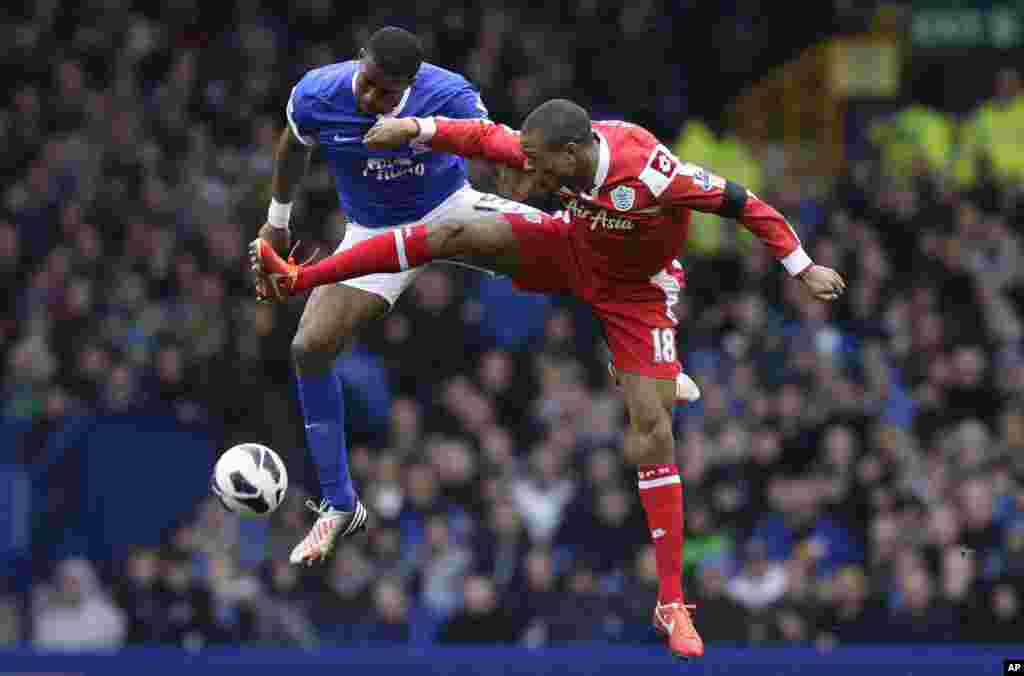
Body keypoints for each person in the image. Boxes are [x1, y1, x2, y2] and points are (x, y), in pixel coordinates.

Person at [252, 98, 846, 658]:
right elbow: (483, 138)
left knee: (652, 428)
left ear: (572, 153)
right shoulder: (549, 154)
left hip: (636, 293)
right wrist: (413, 130)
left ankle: (670, 602)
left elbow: (742, 201)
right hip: (568, 249)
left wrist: (803, 266)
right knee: (447, 232)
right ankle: (304, 277)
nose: (527, 168)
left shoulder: (652, 171)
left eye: (537, 161)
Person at [255, 27, 496, 566]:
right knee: (308, 348)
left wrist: (419, 132)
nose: (369, 100)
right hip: (374, 233)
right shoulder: (319, 93)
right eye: (366, 84)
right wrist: (276, 222)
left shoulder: (449, 93)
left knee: (561, 256)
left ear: (410, 87)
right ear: (357, 63)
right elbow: (295, 143)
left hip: (448, 212)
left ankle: (640, 344)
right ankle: (340, 503)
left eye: (385, 94)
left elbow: (492, 143)